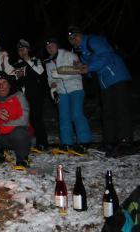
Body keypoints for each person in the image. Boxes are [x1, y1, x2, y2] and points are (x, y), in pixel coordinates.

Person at [67, 26, 133, 157]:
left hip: (117, 76)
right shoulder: (83, 54)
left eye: (75, 36)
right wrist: (82, 70)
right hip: (105, 83)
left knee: (121, 109)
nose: (73, 40)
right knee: (107, 112)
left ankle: (125, 141)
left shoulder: (93, 41)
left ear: (81, 34)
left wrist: (88, 67)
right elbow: (91, 72)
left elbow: (106, 56)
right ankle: (109, 141)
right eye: (70, 39)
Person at [44, 37, 92, 153]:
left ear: (57, 46)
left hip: (75, 88)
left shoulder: (69, 55)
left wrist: (60, 72)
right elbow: (50, 79)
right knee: (64, 117)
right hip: (61, 91)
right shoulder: (48, 63)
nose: (50, 48)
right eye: (48, 47)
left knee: (76, 114)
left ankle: (84, 141)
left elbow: (79, 69)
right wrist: (52, 84)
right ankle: (66, 143)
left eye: (52, 45)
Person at [13, 39, 49, 151]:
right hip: (23, 96)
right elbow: (16, 80)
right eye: (19, 50)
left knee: (36, 119)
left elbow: (40, 73)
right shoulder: (17, 64)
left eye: (24, 49)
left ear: (28, 50)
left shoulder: (35, 60)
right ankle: (25, 143)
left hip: (36, 95)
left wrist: (28, 61)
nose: (22, 52)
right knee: (24, 120)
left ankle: (42, 143)